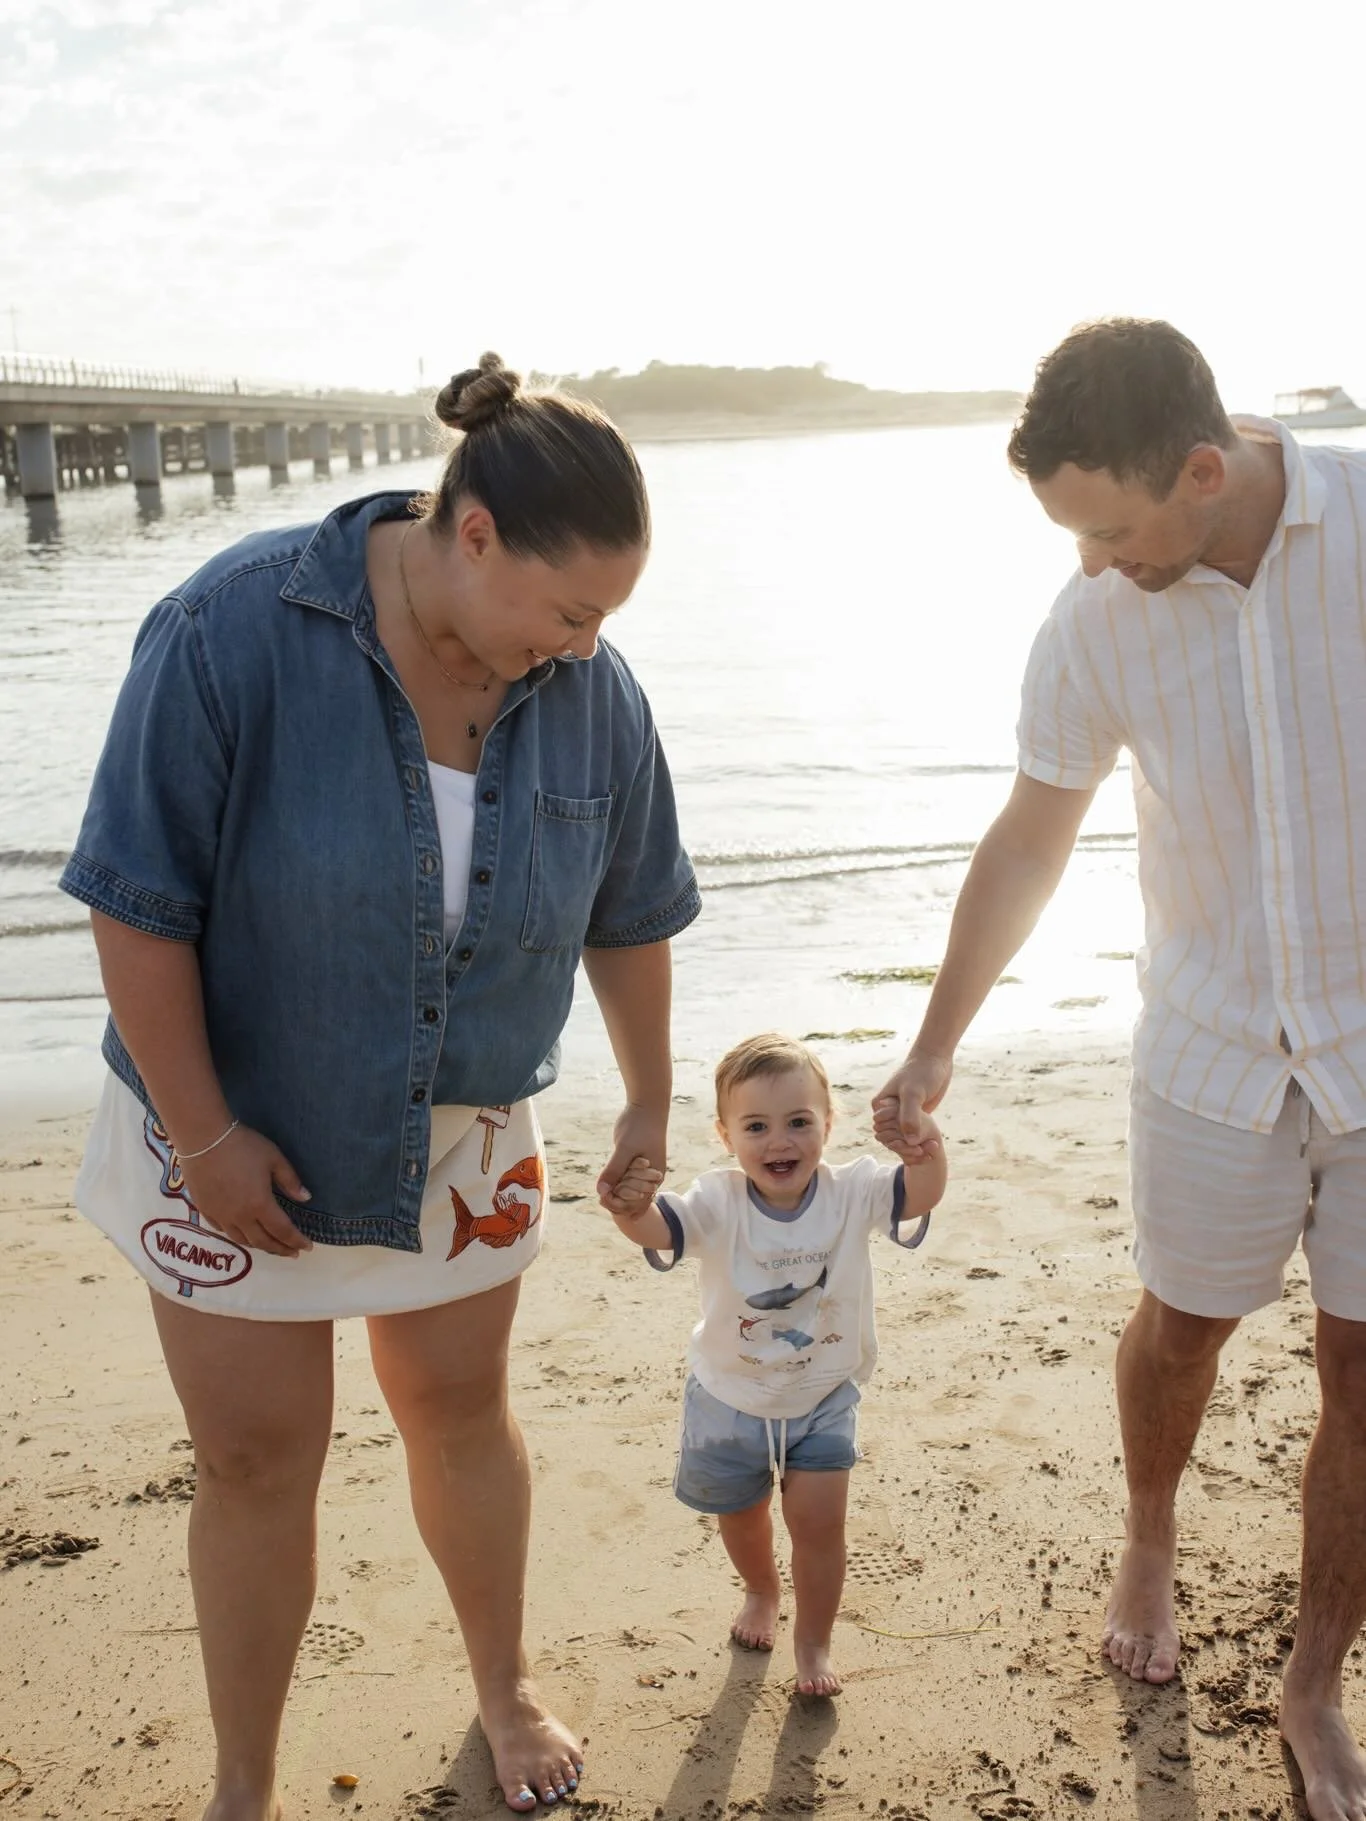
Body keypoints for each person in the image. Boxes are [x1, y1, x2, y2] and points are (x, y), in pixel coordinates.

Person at [59, 353, 700, 1820]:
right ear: (472, 535)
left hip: (465, 1115)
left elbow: (633, 907)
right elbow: (134, 902)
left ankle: (500, 1682)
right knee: (253, 1454)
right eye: (570, 608)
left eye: (607, 615)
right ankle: (242, 1784)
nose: (587, 644)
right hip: (230, 1114)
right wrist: (206, 1133)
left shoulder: (591, 686)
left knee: (459, 1407)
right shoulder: (229, 626)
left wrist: (649, 1102)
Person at [873, 318, 1366, 1821]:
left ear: (1202, 470)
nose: (1089, 561)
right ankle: (1147, 1530)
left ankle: (1311, 1678)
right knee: (1180, 1334)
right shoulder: (1090, 616)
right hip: (1210, 1045)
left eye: (1108, 526)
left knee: (1364, 1375)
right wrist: (936, 1035)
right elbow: (1032, 836)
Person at [601, 1032, 946, 1696]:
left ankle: (813, 1642)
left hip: (822, 1392)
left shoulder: (854, 1191)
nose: (778, 1140)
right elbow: (658, 1230)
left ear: (828, 1124)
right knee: (742, 1512)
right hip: (728, 1395)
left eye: (798, 1122)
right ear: (726, 1135)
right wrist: (630, 1207)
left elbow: (921, 1193)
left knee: (819, 1525)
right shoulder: (715, 1201)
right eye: (755, 1125)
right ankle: (761, 1589)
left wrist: (927, 1147)